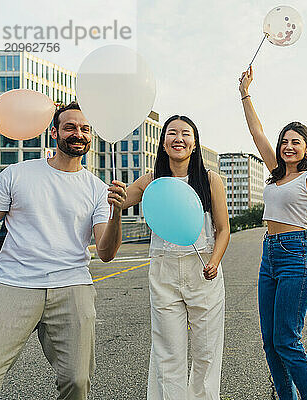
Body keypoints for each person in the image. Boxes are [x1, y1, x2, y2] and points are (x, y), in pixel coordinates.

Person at [0, 101, 126, 400]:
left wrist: (116, 213)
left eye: (85, 129)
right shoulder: (16, 174)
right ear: (54, 132)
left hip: (72, 284)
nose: (79, 133)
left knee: (77, 382)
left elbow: (106, 252)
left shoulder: (98, 188)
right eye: (70, 127)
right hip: (14, 283)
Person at [239, 67, 307, 400]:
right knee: (270, 341)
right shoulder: (276, 173)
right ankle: (286, 396)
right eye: (284, 141)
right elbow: (257, 135)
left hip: (296, 255)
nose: (287, 146)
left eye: (295, 142)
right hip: (269, 255)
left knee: (287, 339)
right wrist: (245, 93)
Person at [123, 115, 229, 400]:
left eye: (185, 133)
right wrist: (116, 193)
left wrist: (215, 261)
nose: (178, 138)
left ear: (194, 144)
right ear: (164, 143)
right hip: (164, 272)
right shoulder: (152, 180)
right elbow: (122, 200)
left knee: (206, 352)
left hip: (203, 270)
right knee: (168, 352)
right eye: (172, 133)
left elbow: (223, 229)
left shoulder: (210, 180)